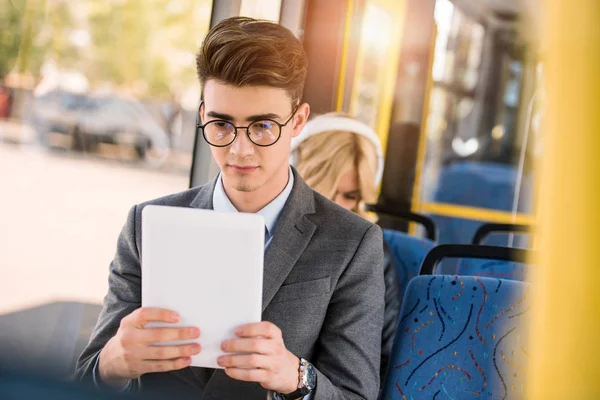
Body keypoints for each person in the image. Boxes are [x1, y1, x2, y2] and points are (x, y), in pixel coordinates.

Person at [74, 17, 385, 400]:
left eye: (263, 127)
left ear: (298, 121)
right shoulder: (145, 224)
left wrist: (296, 376)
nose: (240, 150)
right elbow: (83, 381)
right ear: (203, 115)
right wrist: (112, 363)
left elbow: (357, 396)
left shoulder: (352, 242)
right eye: (221, 125)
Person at [290, 113, 400, 384]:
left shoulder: (370, 250)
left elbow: (384, 360)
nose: (337, 206)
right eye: (324, 189)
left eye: (350, 196)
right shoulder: (261, 232)